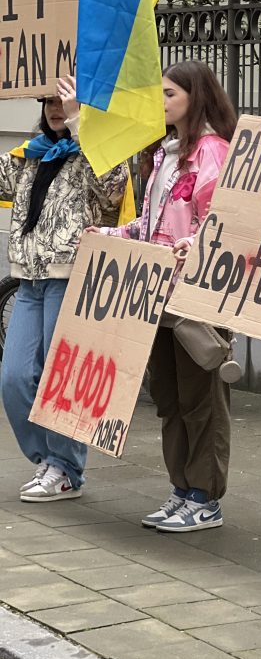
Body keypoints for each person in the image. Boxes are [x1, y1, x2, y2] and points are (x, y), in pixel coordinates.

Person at [95, 60, 236, 532]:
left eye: (169, 94)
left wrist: (194, 245)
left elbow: (221, 225)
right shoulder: (164, 155)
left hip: (196, 296)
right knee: (169, 398)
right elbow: (155, 223)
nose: (160, 102)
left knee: (202, 400)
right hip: (155, 292)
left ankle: (205, 496)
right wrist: (115, 234)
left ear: (195, 97)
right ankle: (181, 490)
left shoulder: (213, 152)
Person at [0, 76, 128, 501]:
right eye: (49, 101)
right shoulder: (30, 154)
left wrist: (80, 123)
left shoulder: (95, 151)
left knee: (62, 377)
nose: (56, 108)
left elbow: (112, 194)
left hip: (72, 275)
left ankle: (66, 467)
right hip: (29, 279)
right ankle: (46, 460)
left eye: (64, 101)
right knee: (15, 377)